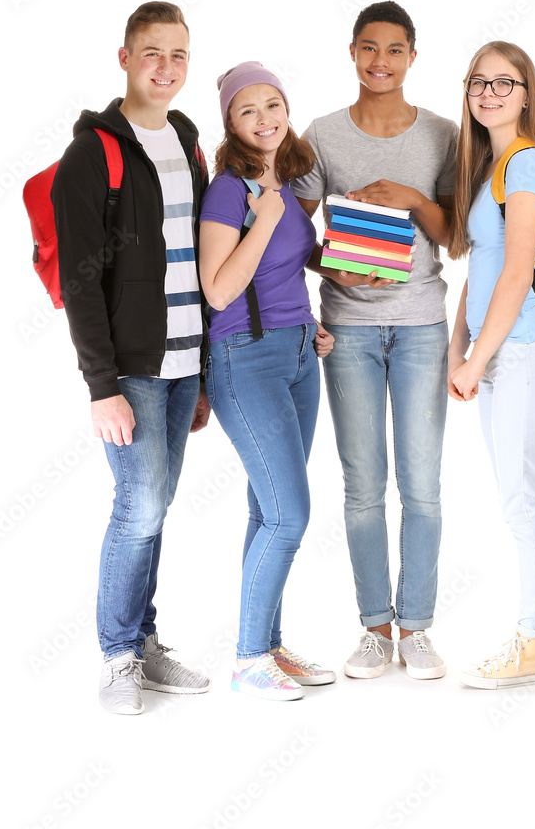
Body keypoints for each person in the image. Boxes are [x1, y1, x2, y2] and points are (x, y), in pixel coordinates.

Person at [52, 1, 212, 715]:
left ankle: (144, 642)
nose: (165, 68)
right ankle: (118, 653)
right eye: (152, 53)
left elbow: (204, 257)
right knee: (139, 505)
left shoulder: (186, 136)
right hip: (132, 370)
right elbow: (79, 281)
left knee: (157, 505)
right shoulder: (95, 153)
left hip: (185, 364)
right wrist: (101, 386)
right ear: (124, 58)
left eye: (178, 55)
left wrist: (204, 369)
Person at [292, 1, 457, 680]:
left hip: (421, 323)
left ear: (413, 56)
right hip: (349, 328)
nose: (380, 61)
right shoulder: (322, 135)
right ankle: (373, 627)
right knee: (363, 485)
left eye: (394, 49)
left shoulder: (444, 136)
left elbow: (454, 236)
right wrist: (334, 265)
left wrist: (413, 200)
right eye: (369, 48)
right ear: (352, 53)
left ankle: (416, 628)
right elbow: (288, 233)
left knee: (422, 485)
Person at [200, 62, 335, 702]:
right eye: (249, 109)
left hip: (300, 353)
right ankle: (248, 657)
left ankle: (270, 647)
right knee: (290, 515)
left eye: (274, 104)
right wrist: (265, 216)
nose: (266, 119)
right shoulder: (230, 190)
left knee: (266, 509)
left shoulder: (286, 178)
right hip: (244, 358)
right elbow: (220, 287)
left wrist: (312, 326)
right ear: (230, 122)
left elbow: (286, 272)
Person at [447, 41, 535, 689]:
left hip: (524, 354)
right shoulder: (491, 165)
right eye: (479, 82)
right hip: (501, 355)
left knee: (527, 504)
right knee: (517, 502)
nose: (490, 92)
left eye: (505, 82)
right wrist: (457, 348)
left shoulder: (524, 165)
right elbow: (484, 268)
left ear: (527, 93)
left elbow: (520, 272)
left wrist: (479, 358)